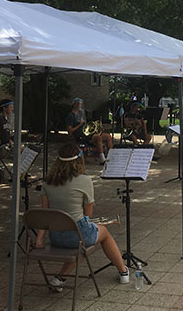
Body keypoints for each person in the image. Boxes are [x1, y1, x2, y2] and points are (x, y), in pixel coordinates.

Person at [34, 143, 129, 287]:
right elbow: (88, 214)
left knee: (82, 244)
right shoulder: (84, 180)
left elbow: (44, 214)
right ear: (79, 159)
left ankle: (60, 278)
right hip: (78, 234)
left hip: (56, 237)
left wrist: (39, 239)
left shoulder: (47, 181)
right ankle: (123, 271)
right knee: (103, 234)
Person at [65, 98, 112, 163]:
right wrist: (79, 125)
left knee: (107, 136)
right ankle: (102, 159)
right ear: (74, 105)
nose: (80, 106)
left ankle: (111, 156)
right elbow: (70, 131)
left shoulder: (81, 114)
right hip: (80, 136)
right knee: (98, 137)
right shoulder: (71, 116)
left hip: (86, 134)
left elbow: (86, 127)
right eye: (79, 104)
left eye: (81, 104)